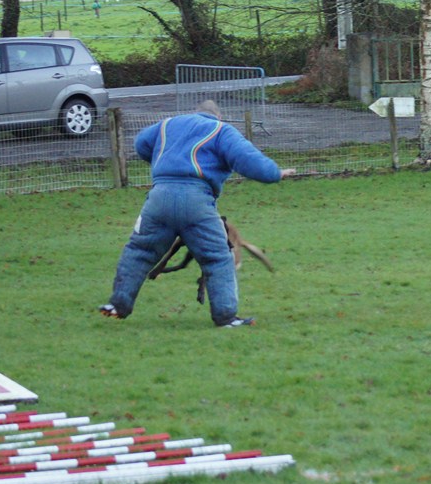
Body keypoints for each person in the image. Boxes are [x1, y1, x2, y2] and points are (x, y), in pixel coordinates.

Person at [99, 100, 295, 327]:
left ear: (196, 112)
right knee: (217, 258)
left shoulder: (168, 124)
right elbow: (247, 159)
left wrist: (162, 162)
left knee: (139, 250)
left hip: (158, 198)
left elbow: (141, 143)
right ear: (217, 116)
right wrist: (274, 173)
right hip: (196, 201)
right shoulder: (220, 130)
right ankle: (226, 317)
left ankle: (117, 304)